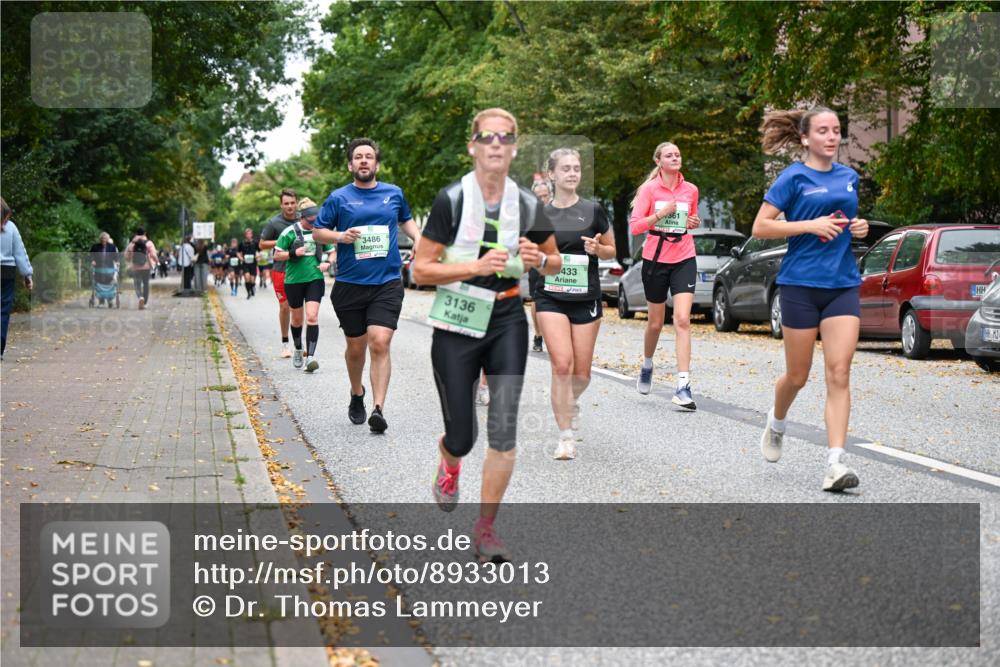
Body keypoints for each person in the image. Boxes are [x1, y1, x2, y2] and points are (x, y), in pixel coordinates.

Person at [411, 108, 561, 563]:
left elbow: (555, 262)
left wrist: (540, 260)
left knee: (503, 431)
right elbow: (420, 268)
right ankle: (449, 459)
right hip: (458, 319)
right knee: (463, 436)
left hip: (508, 318)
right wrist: (474, 266)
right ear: (473, 146)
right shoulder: (451, 200)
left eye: (506, 137)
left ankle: (486, 529)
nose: (496, 143)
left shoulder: (529, 204)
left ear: (515, 147)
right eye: (487, 136)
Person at [753, 106, 868, 492]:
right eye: (823, 130)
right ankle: (777, 421)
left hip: (842, 285)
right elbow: (761, 226)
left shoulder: (849, 177)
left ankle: (835, 463)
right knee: (797, 376)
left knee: (839, 372)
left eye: (836, 130)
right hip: (800, 286)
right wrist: (808, 225)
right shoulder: (792, 178)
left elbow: (842, 220)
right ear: (805, 138)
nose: (832, 136)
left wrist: (857, 226)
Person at [312, 138, 421, 434]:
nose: (363, 161)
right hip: (349, 284)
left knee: (380, 342)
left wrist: (421, 240)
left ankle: (378, 408)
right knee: (356, 348)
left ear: (376, 164)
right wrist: (340, 237)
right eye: (358, 157)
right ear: (350, 165)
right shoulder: (338, 198)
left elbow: (407, 221)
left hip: (386, 282)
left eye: (369, 157)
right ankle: (356, 392)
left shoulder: (393, 194)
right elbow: (318, 233)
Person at [535, 149, 616, 460]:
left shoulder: (594, 210)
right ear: (552, 175)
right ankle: (565, 436)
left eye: (577, 168)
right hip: (551, 296)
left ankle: (566, 400)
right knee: (562, 365)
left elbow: (611, 250)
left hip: (585, 297)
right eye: (565, 168)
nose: (572, 173)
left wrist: (597, 249)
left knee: (582, 374)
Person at [629, 142, 701, 408]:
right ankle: (647, 364)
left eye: (678, 154)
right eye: (669, 155)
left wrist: (692, 221)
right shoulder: (648, 190)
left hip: (684, 255)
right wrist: (660, 214)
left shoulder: (690, 189)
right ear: (658, 160)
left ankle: (683, 386)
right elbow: (636, 227)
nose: (675, 157)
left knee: (682, 319)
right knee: (655, 324)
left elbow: (689, 218)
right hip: (655, 259)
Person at [273, 198, 335, 373]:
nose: (313, 222)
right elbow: (277, 256)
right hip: (293, 281)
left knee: (313, 317)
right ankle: (298, 349)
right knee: (297, 319)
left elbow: (332, 252)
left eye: (316, 218)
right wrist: (293, 253)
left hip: (315, 279)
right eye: (310, 219)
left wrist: (328, 264)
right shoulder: (289, 232)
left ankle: (311, 357)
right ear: (302, 217)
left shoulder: (320, 232)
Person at [260, 189, 298, 358]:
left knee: (298, 308)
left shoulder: (303, 220)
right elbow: (262, 244)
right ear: (281, 205)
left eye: (292, 203)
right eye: (286, 203)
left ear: (296, 203)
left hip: (300, 269)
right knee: (284, 307)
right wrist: (283, 239)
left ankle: (298, 344)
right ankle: (285, 343)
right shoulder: (274, 223)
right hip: (281, 270)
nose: (289, 206)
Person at [1, 197, 33, 359]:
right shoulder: (11, 228)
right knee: (3, 310)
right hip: (6, 271)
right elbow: (20, 253)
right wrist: (27, 275)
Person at [528, 179, 552, 353]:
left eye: (546, 195)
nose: (543, 199)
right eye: (539, 196)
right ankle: (538, 334)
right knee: (537, 298)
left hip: (555, 260)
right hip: (536, 261)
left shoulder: (557, 212)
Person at [125, 227, 158, 309]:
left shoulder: (132, 244)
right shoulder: (149, 243)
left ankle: (140, 297)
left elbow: (127, 256)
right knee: (146, 284)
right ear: (145, 233)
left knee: (137, 284)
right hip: (146, 267)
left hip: (135, 267)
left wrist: (129, 260)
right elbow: (153, 255)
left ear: (136, 233)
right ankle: (145, 303)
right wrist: (156, 261)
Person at [89, 231, 119, 307]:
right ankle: (101, 302)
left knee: (109, 284)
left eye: (105, 238)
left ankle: (109, 301)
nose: (103, 240)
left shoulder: (112, 247)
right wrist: (92, 260)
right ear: (100, 239)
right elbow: (91, 255)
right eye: (102, 238)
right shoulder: (95, 247)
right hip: (98, 268)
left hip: (109, 268)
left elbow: (116, 256)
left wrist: (117, 261)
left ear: (107, 239)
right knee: (99, 284)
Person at [238, 228, 259, 299]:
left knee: (252, 280)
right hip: (245, 263)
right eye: (247, 234)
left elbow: (260, 251)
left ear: (252, 235)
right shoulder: (242, 243)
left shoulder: (255, 243)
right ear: (245, 235)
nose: (248, 235)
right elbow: (238, 252)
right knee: (247, 278)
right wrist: (241, 258)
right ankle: (248, 292)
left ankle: (252, 287)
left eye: (250, 234)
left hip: (253, 263)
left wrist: (258, 256)